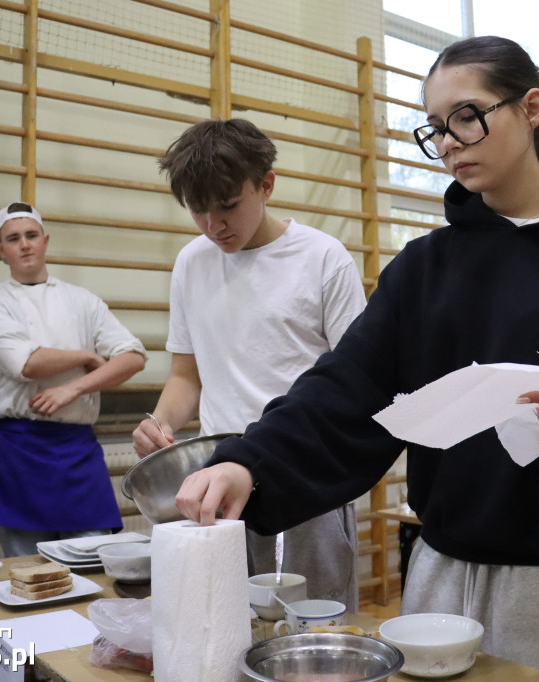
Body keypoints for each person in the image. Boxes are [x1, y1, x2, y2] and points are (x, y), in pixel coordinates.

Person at [173, 36, 539, 682]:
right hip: (436, 583)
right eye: (433, 128)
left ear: (532, 108)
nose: (449, 141)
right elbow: (343, 391)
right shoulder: (427, 268)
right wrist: (248, 463)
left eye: (467, 117)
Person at [131, 118, 367, 610]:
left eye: (228, 205)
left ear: (266, 185)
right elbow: (185, 375)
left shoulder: (324, 259)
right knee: (224, 628)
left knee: (311, 633)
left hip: (305, 478)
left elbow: (356, 384)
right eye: (198, 210)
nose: (214, 225)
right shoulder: (192, 263)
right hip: (216, 481)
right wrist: (160, 422)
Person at [0, 202, 147, 557]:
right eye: (13, 238)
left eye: (31, 235)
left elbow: (133, 357)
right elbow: (26, 362)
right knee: (26, 573)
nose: (24, 244)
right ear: (0, 250)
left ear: (45, 240)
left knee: (92, 563)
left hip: (77, 451)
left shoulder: (83, 300)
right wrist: (85, 356)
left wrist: (74, 387)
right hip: (19, 449)